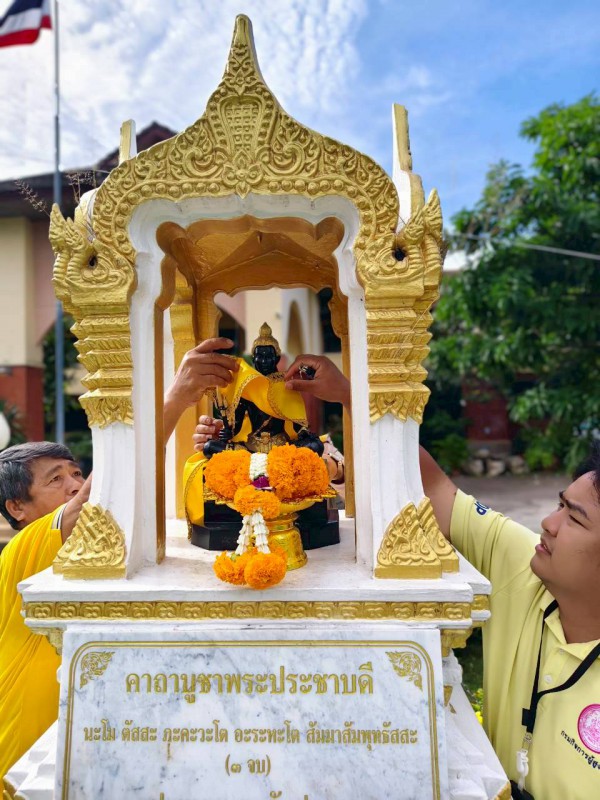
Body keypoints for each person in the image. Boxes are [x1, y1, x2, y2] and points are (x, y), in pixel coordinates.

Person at [197, 353, 600, 800]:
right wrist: (349, 395)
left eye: (574, 518)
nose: (548, 523)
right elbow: (433, 487)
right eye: (559, 505)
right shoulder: (526, 565)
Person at [0, 337, 237, 780]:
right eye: (55, 480)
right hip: (19, 769)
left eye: (75, 473)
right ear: (17, 507)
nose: (74, 484)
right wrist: (176, 397)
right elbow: (103, 493)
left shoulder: (95, 547)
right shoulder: (23, 550)